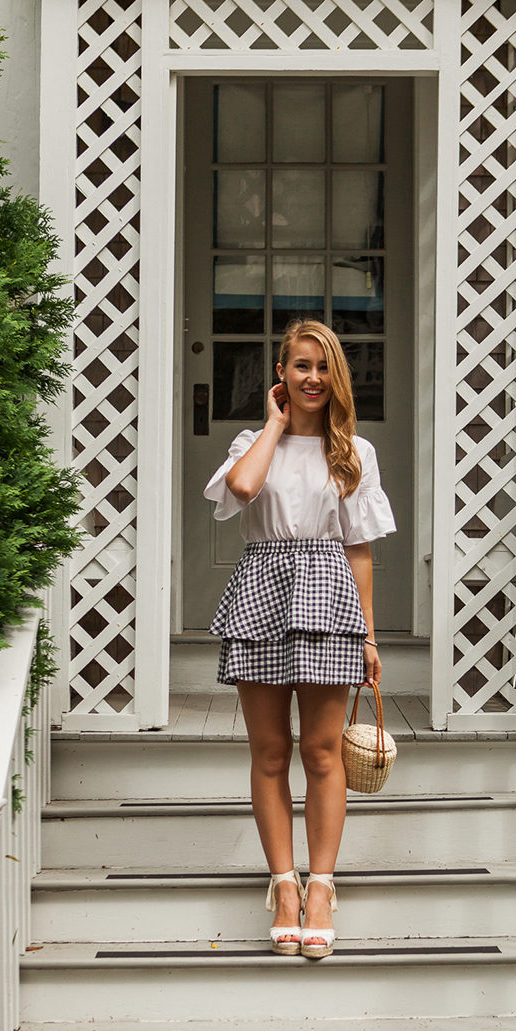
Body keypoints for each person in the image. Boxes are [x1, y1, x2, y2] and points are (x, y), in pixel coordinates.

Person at [203, 319, 396, 959]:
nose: (312, 378)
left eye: (322, 367)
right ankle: (283, 886)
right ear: (281, 375)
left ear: (335, 376)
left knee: (321, 752)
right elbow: (242, 488)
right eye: (299, 367)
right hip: (261, 590)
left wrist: (368, 636)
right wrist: (276, 426)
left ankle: (321, 887)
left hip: (330, 595)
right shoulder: (252, 442)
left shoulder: (355, 454)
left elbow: (360, 550)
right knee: (268, 751)